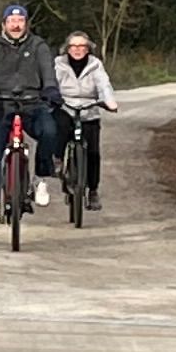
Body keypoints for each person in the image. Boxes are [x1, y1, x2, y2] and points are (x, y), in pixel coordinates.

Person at [0, 5, 59, 220]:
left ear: (26, 24)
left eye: (20, 20)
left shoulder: (38, 45)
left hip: (32, 102)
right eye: (11, 21)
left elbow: (47, 68)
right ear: (4, 24)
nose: (16, 25)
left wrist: (50, 88)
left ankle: (40, 178)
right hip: (1, 104)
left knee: (49, 132)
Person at [52, 29, 118, 217]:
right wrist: (52, 97)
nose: (78, 49)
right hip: (66, 106)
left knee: (94, 152)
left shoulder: (95, 65)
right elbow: (51, 84)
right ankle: (57, 160)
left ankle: (93, 191)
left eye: (82, 46)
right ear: (67, 48)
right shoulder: (59, 64)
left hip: (89, 108)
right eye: (74, 46)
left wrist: (109, 101)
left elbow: (104, 85)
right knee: (60, 128)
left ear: (88, 49)